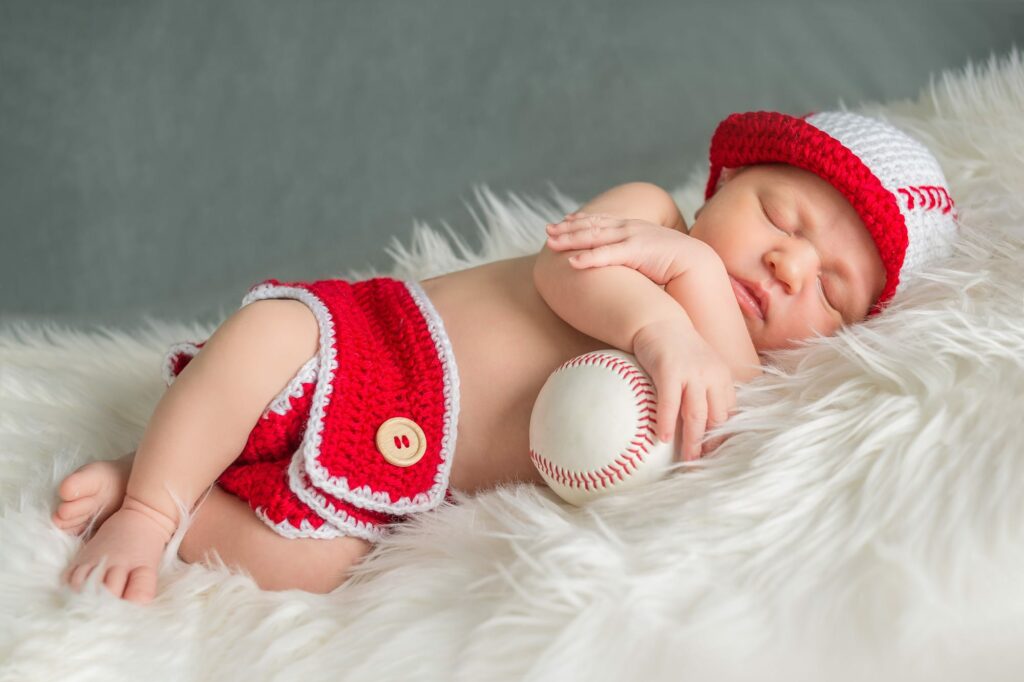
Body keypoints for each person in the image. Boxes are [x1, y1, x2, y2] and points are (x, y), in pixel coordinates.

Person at [51, 110, 958, 603]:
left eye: (830, 288)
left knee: (318, 568)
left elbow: (719, 424)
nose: (787, 262)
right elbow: (570, 274)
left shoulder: (731, 377)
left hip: (408, 481)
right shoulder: (648, 217)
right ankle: (148, 498)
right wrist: (670, 299)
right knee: (260, 349)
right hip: (375, 342)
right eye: (780, 215)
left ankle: (196, 502)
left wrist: (701, 316)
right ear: (722, 185)